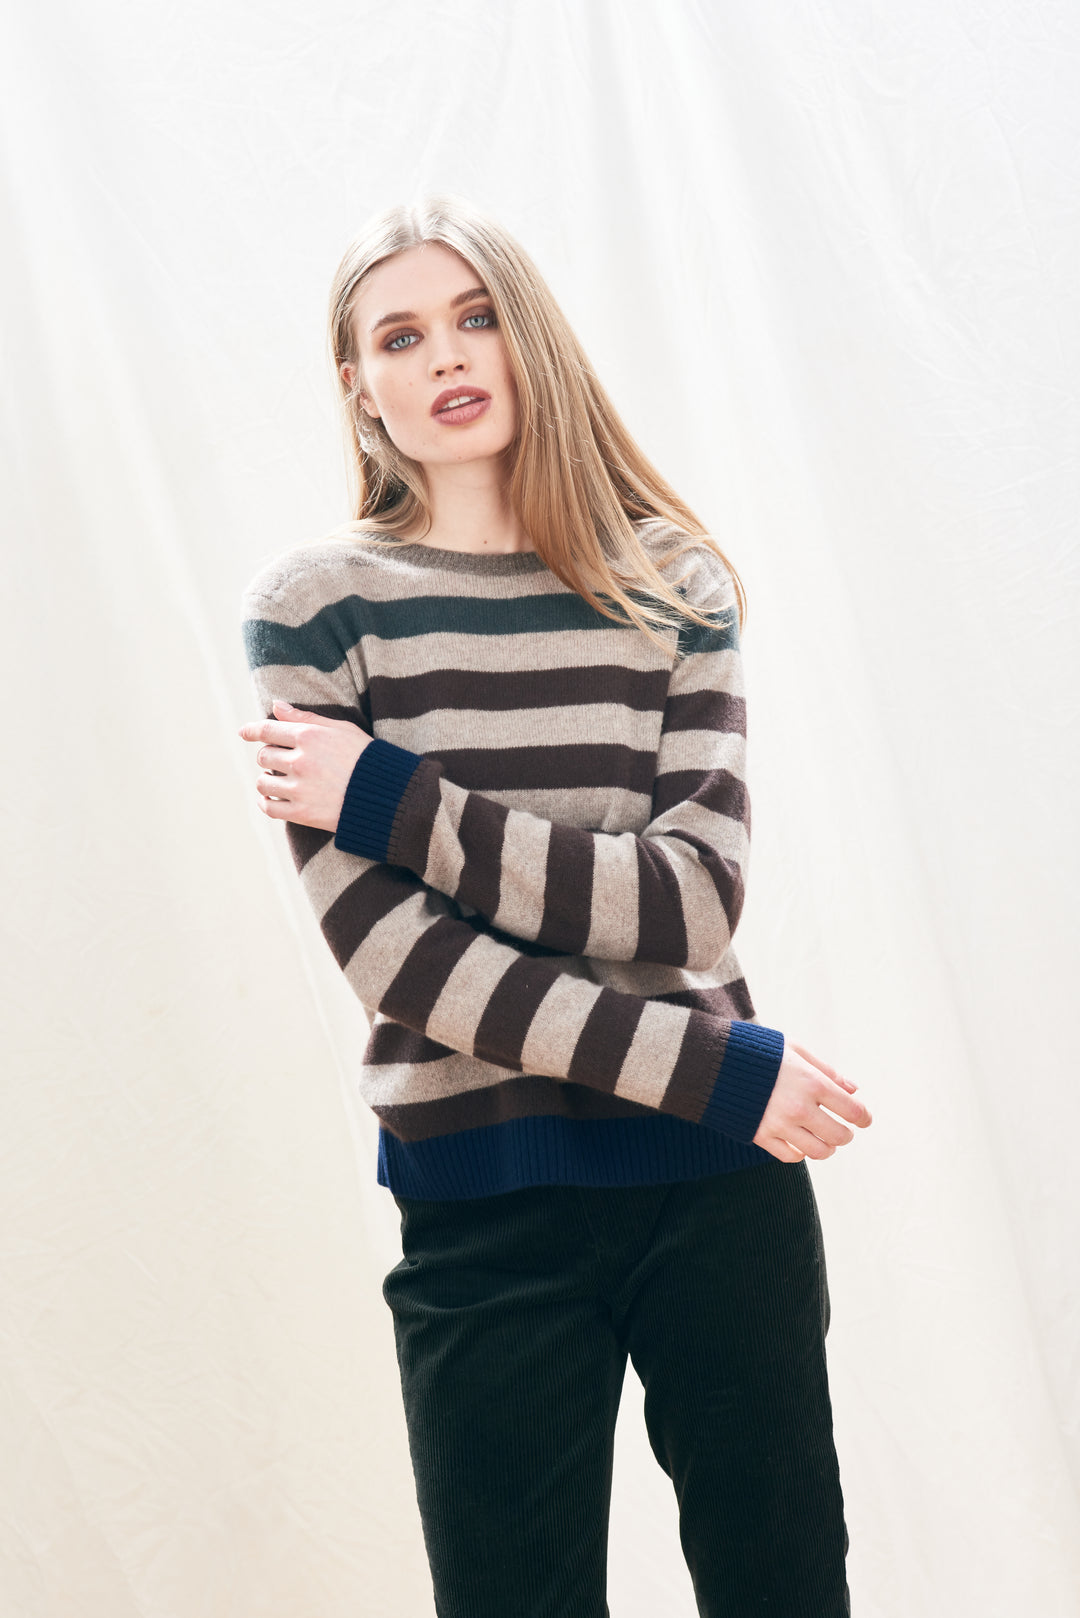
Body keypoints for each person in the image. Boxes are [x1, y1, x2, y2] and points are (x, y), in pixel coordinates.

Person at [238, 194, 872, 1618]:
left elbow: (691, 905)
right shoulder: (316, 614)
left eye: (477, 318)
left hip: (717, 1186)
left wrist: (394, 799)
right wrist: (711, 1069)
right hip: (485, 1202)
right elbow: (402, 963)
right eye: (401, 336)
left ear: (529, 338)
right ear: (360, 386)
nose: (447, 356)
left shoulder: (668, 582)